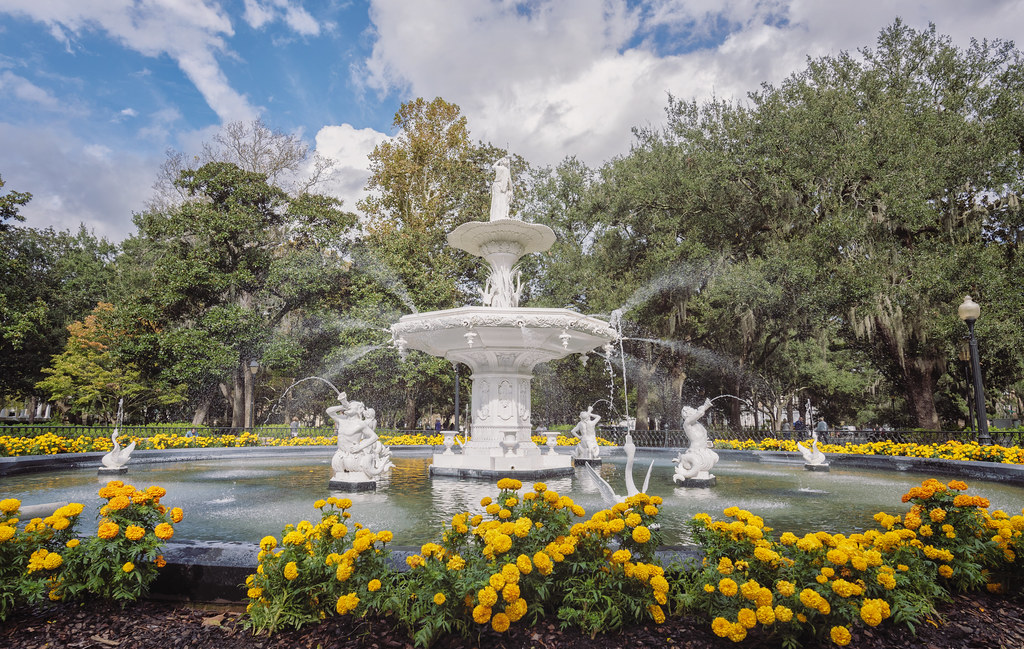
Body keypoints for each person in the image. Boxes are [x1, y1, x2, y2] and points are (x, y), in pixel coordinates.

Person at [489, 156, 512, 220]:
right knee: (501, 200)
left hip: (497, 185)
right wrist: (511, 190)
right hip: (501, 186)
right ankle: (501, 215)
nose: (506, 161)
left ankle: (496, 216)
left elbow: (493, 166)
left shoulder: (500, 168)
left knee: (498, 200)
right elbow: (510, 181)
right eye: (505, 160)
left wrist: (499, 160)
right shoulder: (504, 169)